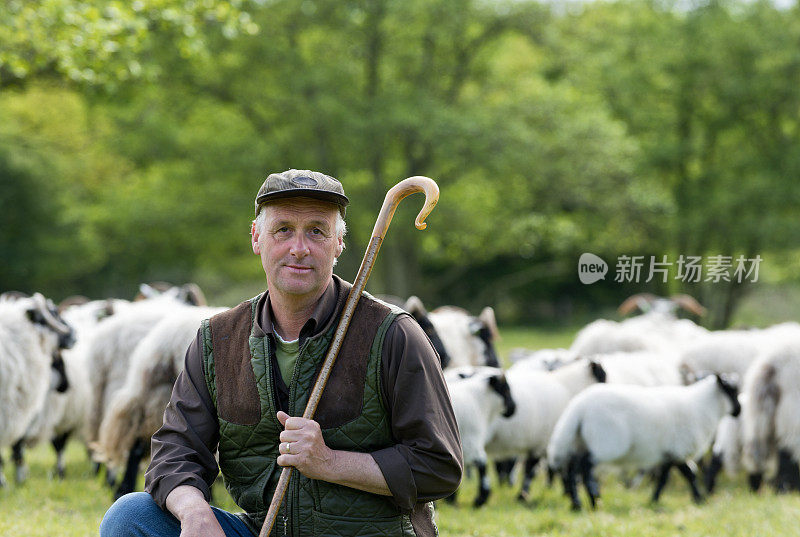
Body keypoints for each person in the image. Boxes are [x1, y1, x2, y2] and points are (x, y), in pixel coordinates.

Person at [100, 169, 463, 537]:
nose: (299, 248)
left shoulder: (394, 335)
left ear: (339, 244)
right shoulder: (219, 340)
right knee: (131, 516)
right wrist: (194, 512)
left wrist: (330, 462)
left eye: (317, 231)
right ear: (257, 238)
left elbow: (439, 466)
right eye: (283, 229)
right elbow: (175, 452)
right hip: (261, 530)